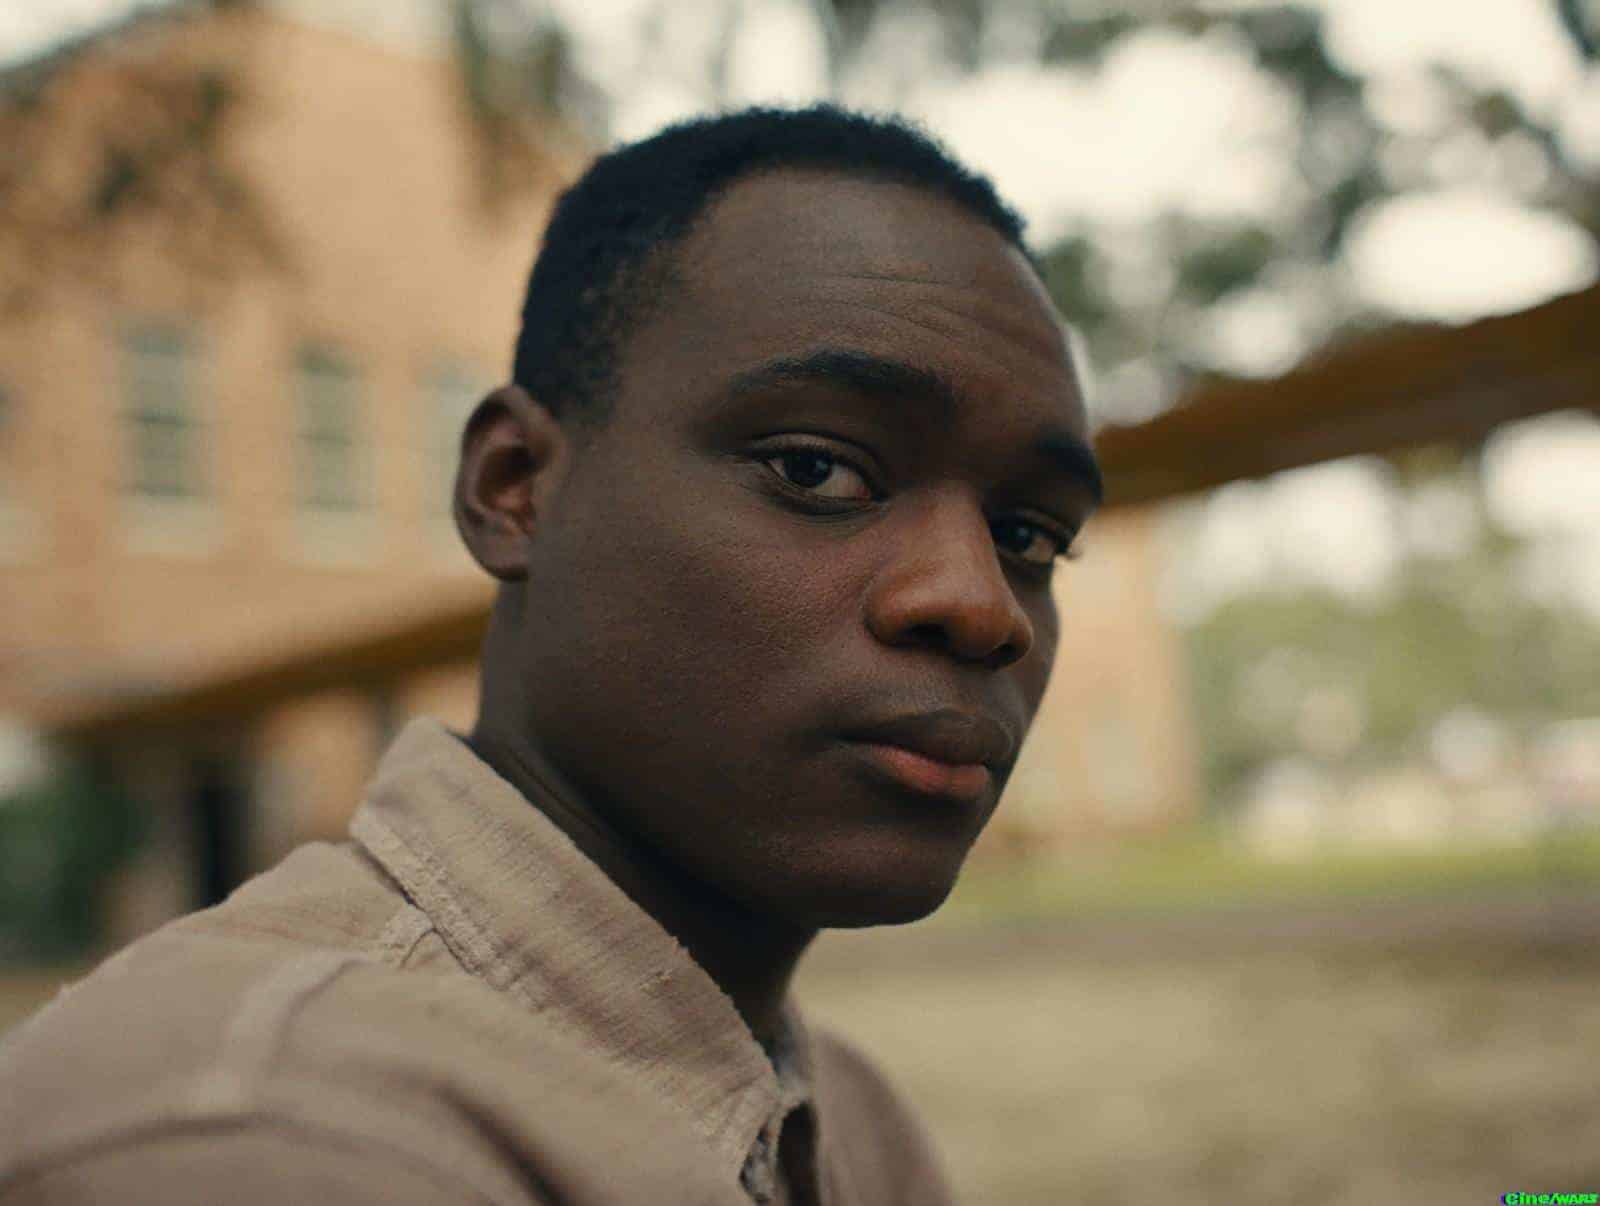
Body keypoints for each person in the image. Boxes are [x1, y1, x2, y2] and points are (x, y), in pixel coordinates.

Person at [0, 104, 1102, 1204]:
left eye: (1028, 536)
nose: (980, 606)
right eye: (816, 469)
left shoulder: (852, 1124)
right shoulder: (252, 1133)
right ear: (515, 487)